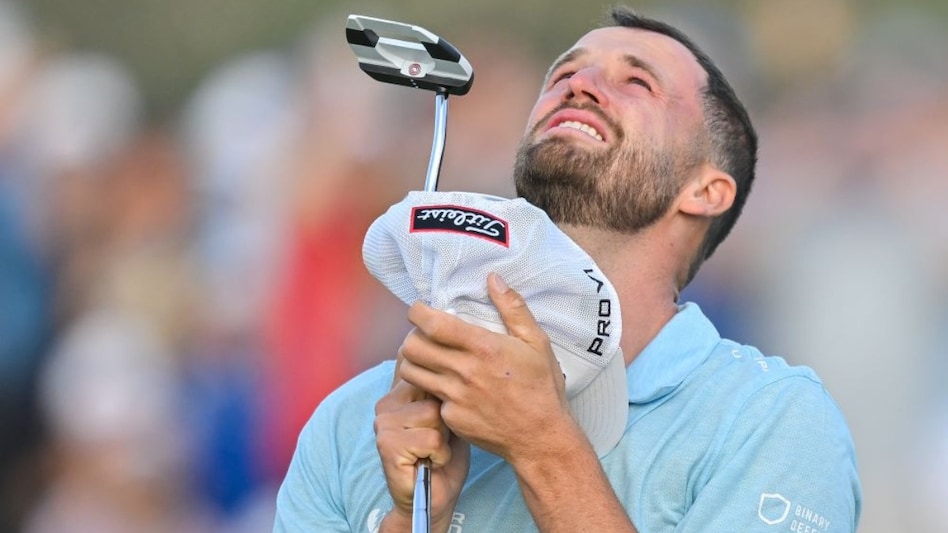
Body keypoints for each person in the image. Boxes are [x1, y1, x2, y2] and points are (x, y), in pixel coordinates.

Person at [273, 6, 862, 532]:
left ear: (705, 190)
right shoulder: (355, 419)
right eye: (562, 74)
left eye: (637, 81)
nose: (580, 85)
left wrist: (542, 444)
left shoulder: (770, 420)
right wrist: (411, 519)